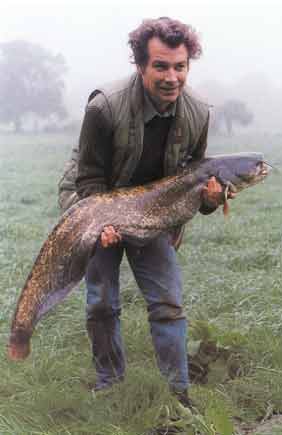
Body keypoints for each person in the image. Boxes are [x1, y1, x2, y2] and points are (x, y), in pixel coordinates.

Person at [58, 17, 228, 406]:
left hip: (153, 211)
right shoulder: (104, 106)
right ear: (140, 66)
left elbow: (192, 181)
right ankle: (109, 385)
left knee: (168, 302)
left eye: (180, 66)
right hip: (94, 202)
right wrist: (103, 223)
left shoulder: (199, 112)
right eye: (161, 66)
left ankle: (178, 395)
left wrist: (210, 200)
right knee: (102, 300)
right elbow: (90, 178)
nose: (172, 77)